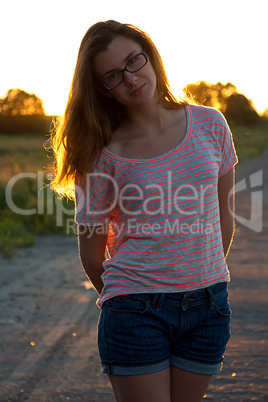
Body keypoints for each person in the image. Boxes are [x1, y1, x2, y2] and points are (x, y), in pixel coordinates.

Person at [51, 20, 238, 402]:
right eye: (113, 76)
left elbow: (224, 216)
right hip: (135, 311)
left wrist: (200, 277)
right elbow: (91, 254)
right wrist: (128, 299)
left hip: (208, 305)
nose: (132, 79)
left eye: (134, 61)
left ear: (150, 55)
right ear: (102, 90)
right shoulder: (100, 154)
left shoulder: (210, 124)